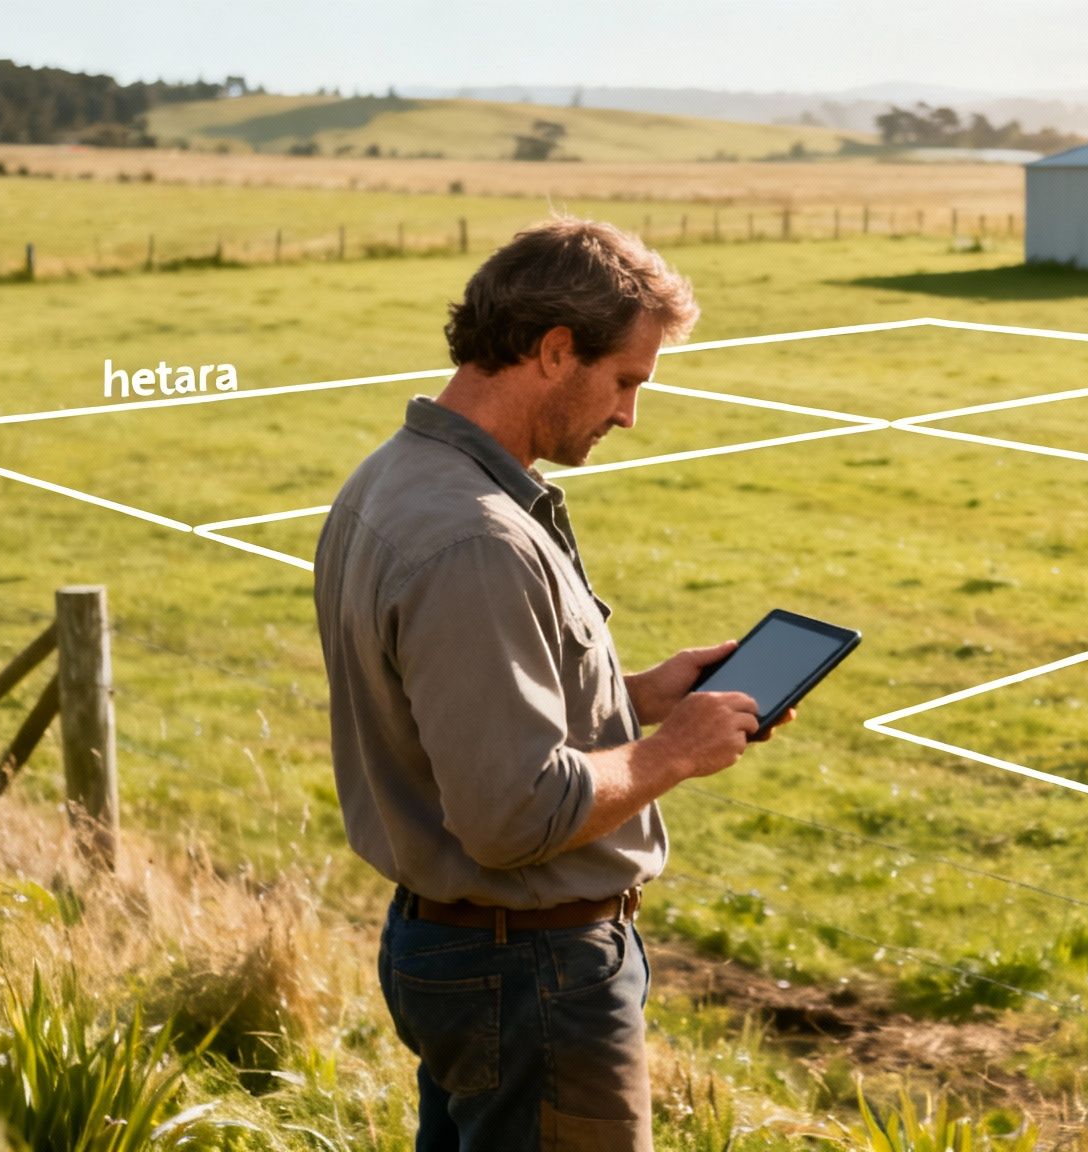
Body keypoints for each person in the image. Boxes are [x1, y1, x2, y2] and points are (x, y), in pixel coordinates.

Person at [313, 217, 793, 1151]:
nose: (628, 415)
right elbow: (511, 815)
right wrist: (670, 754)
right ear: (554, 349)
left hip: (472, 956)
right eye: (625, 382)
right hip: (530, 975)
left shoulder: (394, 477)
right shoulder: (476, 539)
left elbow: (463, 695)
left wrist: (639, 693)